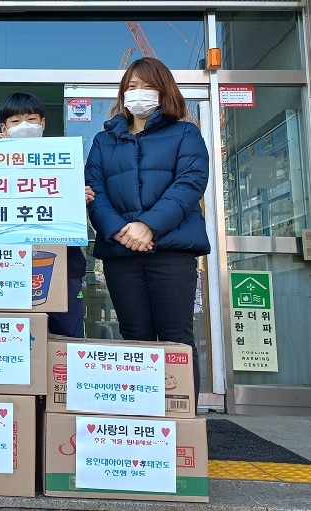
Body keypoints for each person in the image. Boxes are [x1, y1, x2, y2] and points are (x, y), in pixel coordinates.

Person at [85, 57, 210, 402]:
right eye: (132, 87)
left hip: (171, 253)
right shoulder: (103, 140)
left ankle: (182, 417)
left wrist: (148, 226)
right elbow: (94, 191)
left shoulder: (185, 133)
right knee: (134, 336)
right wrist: (120, 230)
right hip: (121, 254)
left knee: (176, 339)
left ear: (164, 90)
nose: (138, 93)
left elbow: (189, 184)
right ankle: (143, 416)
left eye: (148, 86)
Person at [0, 92, 94, 338]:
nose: (24, 126)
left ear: (43, 124)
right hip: (7, 265)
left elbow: (76, 214)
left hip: (64, 262)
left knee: (66, 338)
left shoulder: (63, 159)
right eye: (16, 121)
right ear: (3, 128)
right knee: (18, 338)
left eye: (31, 119)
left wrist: (79, 198)